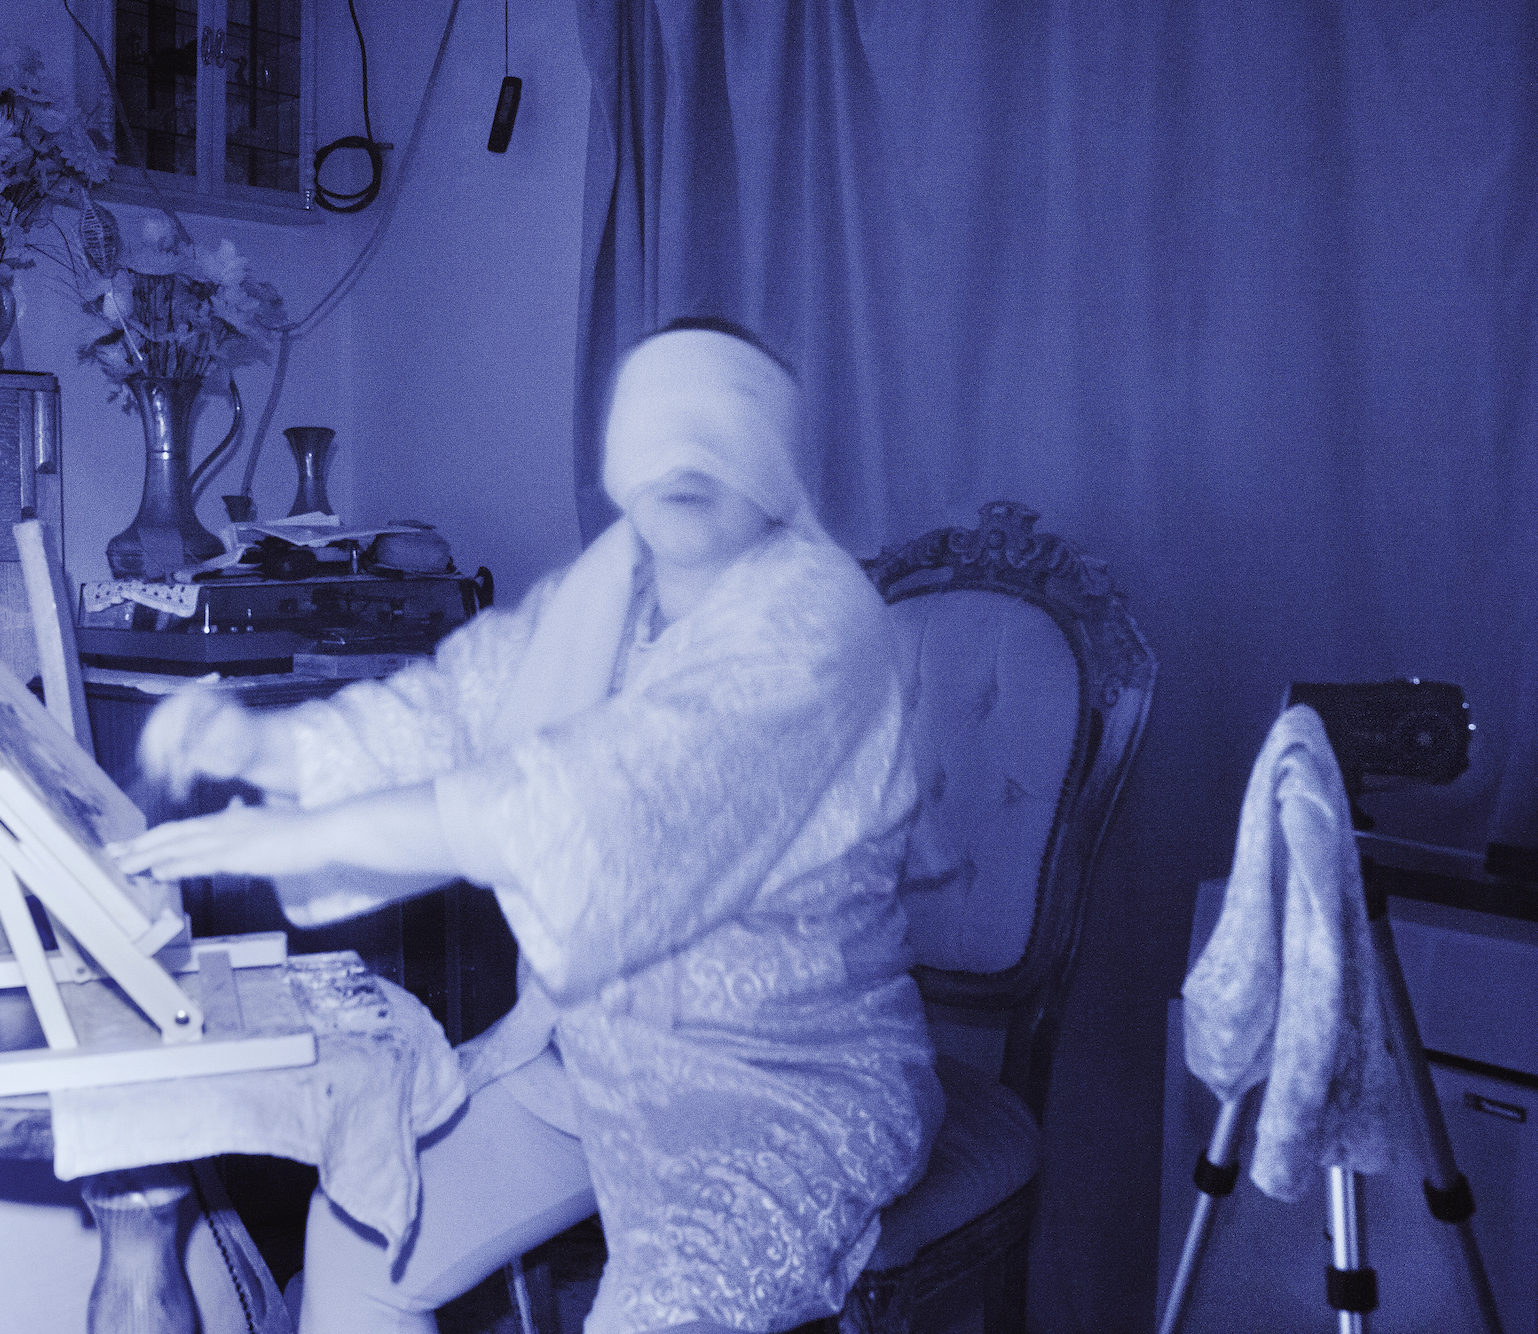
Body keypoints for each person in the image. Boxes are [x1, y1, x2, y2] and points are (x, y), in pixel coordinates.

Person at [114, 320, 943, 1334]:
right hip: (583, 1048)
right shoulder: (611, 583)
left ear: (773, 459)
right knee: (367, 1225)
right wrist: (261, 752)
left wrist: (292, 841)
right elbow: (456, 708)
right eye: (657, 424)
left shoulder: (816, 618)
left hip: (777, 1078)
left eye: (717, 427)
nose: (683, 459)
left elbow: (599, 794)